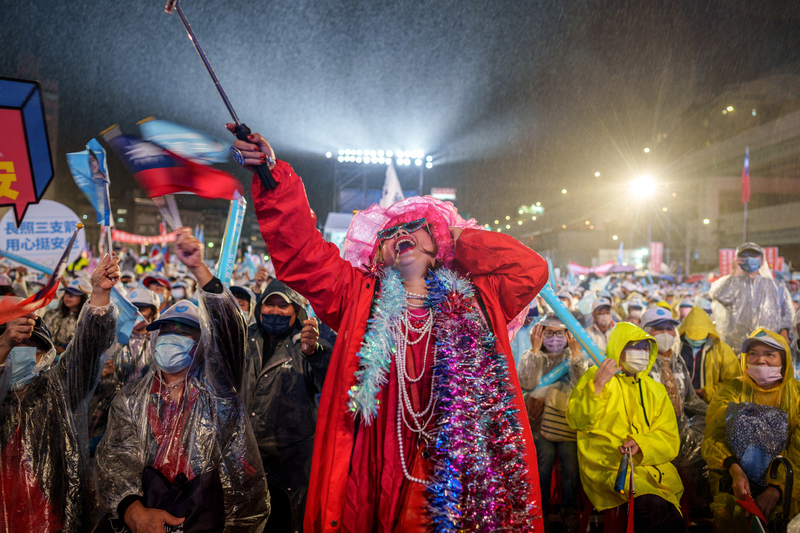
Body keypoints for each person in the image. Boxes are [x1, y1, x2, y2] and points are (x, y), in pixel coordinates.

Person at [230, 126, 548, 532]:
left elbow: (531, 269)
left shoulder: (479, 300)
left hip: (459, 460)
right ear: (378, 254)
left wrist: (459, 238)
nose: (400, 235)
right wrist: (274, 178)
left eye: (413, 227)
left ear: (438, 242)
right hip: (374, 460)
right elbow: (300, 253)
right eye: (389, 234)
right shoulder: (356, 295)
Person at [95, 229, 270, 533]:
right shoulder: (131, 400)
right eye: (166, 330)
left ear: (203, 344)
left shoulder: (218, 392)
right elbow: (116, 461)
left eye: (185, 331)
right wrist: (135, 512)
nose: (172, 337)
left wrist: (199, 270)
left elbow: (229, 330)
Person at [0, 253, 120, 532]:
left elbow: (88, 349)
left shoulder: (58, 387)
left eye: (27, 339)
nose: (19, 346)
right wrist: (4, 346)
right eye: (8, 339)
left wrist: (100, 292)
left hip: (51, 522)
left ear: (42, 346)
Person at [567, 322, 686, 532]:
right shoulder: (597, 377)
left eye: (645, 348)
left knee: (671, 513)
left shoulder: (655, 390)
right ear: (618, 349)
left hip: (653, 468)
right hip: (610, 464)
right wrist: (597, 386)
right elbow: (578, 420)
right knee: (651, 505)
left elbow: (670, 438)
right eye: (634, 347)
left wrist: (641, 444)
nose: (641, 353)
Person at [241, 279, 332, 532]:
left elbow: (329, 382)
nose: (276, 311)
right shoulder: (245, 338)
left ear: (297, 312)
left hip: (290, 464)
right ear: (260, 307)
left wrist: (314, 352)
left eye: (284, 306)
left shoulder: (307, 342)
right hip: (245, 457)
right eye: (271, 304)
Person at [702, 329, 800, 531]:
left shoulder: (797, 396)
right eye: (753, 353)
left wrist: (777, 488)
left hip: (788, 490)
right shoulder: (731, 391)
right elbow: (714, 437)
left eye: (769, 354)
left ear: (784, 359)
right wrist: (734, 468)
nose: (760, 360)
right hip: (736, 484)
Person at [518, 313, 589, 533]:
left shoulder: (575, 355)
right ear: (540, 333)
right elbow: (528, 382)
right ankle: (541, 512)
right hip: (540, 423)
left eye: (560, 333)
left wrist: (576, 355)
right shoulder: (533, 354)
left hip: (566, 422)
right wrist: (536, 350)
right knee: (544, 459)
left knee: (570, 461)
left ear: (569, 335)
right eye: (550, 333)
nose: (555, 339)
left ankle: (569, 511)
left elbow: (582, 386)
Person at [709, 242, 794, 350]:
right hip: (736, 348)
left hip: (768, 346)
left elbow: (786, 315)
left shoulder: (777, 286)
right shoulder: (731, 282)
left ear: (762, 260)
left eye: (754, 256)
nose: (749, 258)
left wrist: (784, 334)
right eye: (744, 256)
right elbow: (719, 296)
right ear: (737, 260)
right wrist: (735, 273)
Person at [678, 306, 740, 402]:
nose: (696, 340)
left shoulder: (723, 350)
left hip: (711, 404)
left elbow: (733, 383)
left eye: (700, 337)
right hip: (679, 402)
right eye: (693, 336)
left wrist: (706, 392)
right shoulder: (676, 348)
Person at [43, 278, 88, 353]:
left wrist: (65, 351)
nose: (68, 296)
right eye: (66, 292)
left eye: (73, 294)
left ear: (83, 297)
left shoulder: (85, 320)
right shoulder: (51, 314)